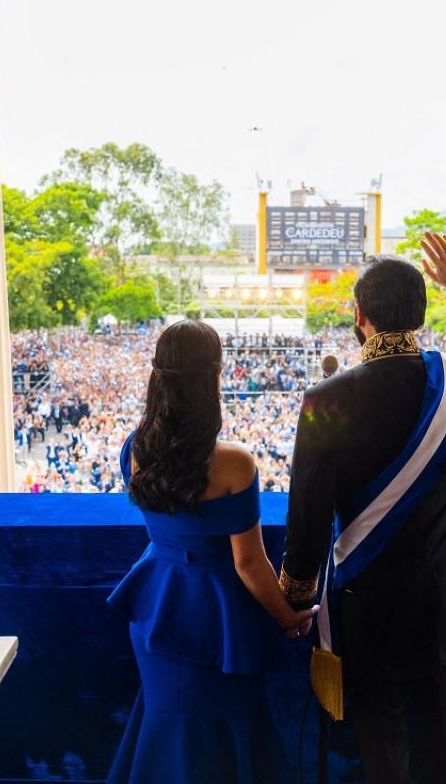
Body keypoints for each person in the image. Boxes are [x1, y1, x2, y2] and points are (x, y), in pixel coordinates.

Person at [278, 233, 446, 784]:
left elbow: (307, 516)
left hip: (368, 605)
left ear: (358, 315)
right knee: (445, 744)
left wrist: (293, 598)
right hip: (444, 596)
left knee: (382, 751)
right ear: (422, 311)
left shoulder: (323, 399)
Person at [106, 319, 316, 784]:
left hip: (156, 600)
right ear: (215, 376)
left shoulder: (134, 447)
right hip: (217, 614)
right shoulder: (233, 463)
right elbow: (248, 562)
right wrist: (288, 618)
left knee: (170, 719)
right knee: (223, 729)